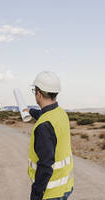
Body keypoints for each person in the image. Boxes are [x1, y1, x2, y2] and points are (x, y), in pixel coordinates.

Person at [24, 71, 74, 200]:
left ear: (38, 94)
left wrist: (35, 195)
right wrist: (30, 111)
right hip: (65, 187)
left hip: (50, 193)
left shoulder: (44, 126)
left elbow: (46, 165)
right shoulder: (61, 113)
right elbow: (45, 116)